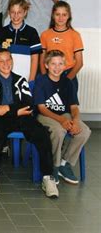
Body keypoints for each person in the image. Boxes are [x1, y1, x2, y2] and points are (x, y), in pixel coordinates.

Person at [0, 49, 58, 198]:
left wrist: (8, 108)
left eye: (8, 60)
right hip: (1, 120)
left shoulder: (20, 80)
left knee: (41, 133)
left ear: (12, 61)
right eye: (1, 61)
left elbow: (29, 105)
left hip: (22, 118)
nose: (6, 64)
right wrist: (16, 110)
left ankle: (48, 177)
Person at [34, 50, 91, 185]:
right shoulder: (41, 80)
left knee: (84, 131)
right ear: (46, 65)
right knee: (59, 132)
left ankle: (65, 163)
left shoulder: (68, 82)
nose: (57, 67)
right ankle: (54, 165)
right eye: (53, 64)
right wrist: (62, 121)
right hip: (45, 115)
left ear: (65, 66)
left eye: (60, 64)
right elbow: (41, 108)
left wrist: (75, 121)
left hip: (64, 115)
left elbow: (74, 107)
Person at [40, 1, 83, 94]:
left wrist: (66, 81)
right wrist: (45, 79)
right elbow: (42, 60)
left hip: (69, 75)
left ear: (69, 16)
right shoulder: (45, 35)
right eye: (57, 14)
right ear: (53, 15)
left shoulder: (75, 35)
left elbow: (79, 63)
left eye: (64, 15)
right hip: (50, 75)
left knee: (68, 107)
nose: (60, 18)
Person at [0, 0, 41, 82]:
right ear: (8, 12)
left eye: (19, 12)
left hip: (25, 79)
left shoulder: (32, 32)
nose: (16, 16)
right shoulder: (2, 32)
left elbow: (34, 59)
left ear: (25, 12)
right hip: (6, 79)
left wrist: (31, 80)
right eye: (13, 12)